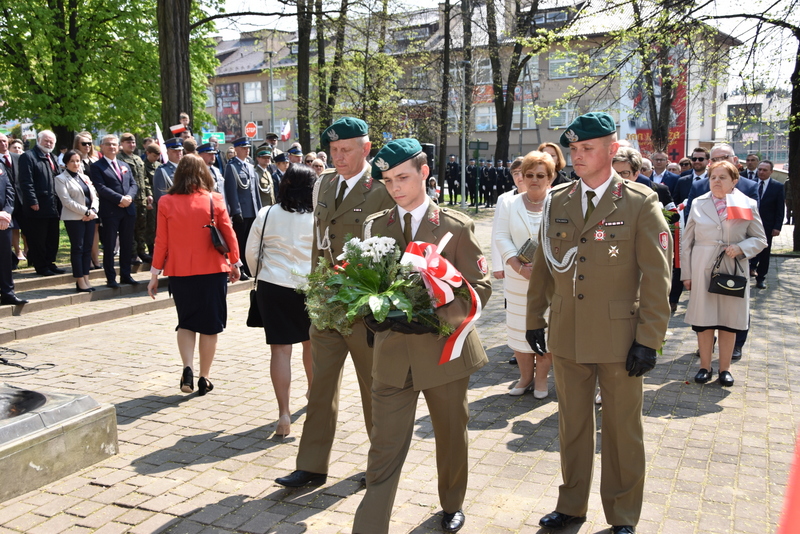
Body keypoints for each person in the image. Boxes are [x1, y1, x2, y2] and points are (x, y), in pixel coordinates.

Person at [527, 112, 671, 534]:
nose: (577, 156)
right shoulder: (559, 199)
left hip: (619, 338)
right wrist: (536, 316)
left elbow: (657, 278)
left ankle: (623, 515)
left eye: (587, 148)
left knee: (622, 431)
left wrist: (650, 339)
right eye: (573, 149)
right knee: (572, 424)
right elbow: (542, 264)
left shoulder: (639, 201)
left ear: (612, 150)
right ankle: (571, 505)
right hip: (568, 334)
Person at [353, 138, 491, 534]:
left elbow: (479, 289)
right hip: (393, 353)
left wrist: (434, 314)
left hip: (443, 351)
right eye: (387, 180)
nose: (394, 187)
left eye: (402, 177)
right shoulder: (374, 226)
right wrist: (373, 316)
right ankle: (369, 527)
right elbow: (363, 284)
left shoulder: (454, 226)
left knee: (450, 435)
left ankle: (452, 503)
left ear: (424, 172)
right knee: (384, 446)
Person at [275, 117, 394, 489]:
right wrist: (315, 289)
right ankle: (311, 465)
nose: (338, 158)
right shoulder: (324, 183)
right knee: (321, 386)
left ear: (366, 149)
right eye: (334, 151)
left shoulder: (383, 189)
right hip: (328, 305)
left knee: (374, 390)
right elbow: (318, 241)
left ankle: (381, 466)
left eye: (347, 150)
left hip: (364, 307)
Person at [147, 154, 241, 395]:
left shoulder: (166, 202)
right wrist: (235, 262)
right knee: (210, 326)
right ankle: (204, 376)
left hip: (180, 271)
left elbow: (161, 240)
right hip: (211, 270)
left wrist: (155, 273)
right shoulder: (214, 199)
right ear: (204, 173)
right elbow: (228, 233)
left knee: (186, 322)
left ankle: (187, 368)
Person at [681, 160, 766, 387]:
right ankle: (704, 367)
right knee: (704, 320)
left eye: (722, 177)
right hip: (702, 268)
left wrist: (741, 248)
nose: (716, 181)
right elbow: (686, 242)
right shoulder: (698, 203)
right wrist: (686, 274)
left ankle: (725, 369)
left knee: (729, 320)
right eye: (713, 177)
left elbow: (760, 239)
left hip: (732, 267)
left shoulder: (746, 203)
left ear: (734, 181)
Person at [245, 165, 315, 438]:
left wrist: (258, 274)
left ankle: (284, 412)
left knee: (280, 351)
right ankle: (313, 393)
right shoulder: (319, 216)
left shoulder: (267, 213)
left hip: (273, 285)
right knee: (312, 344)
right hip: (309, 287)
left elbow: (252, 251)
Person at [495, 152, 554, 397]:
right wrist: (518, 266)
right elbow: (500, 235)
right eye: (529, 175)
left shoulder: (558, 202)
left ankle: (541, 380)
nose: (534, 180)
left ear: (551, 178)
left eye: (541, 175)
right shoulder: (509, 203)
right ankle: (524, 378)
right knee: (519, 331)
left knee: (547, 332)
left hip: (550, 282)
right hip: (518, 281)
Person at [90, 135, 139, 288]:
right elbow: (101, 187)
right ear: (101, 147)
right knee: (110, 245)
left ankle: (126, 275)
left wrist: (129, 198)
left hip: (128, 210)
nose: (112, 147)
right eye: (108, 144)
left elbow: (133, 184)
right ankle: (111, 278)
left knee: (126, 245)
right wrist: (119, 199)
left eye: (114, 144)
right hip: (111, 211)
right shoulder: (97, 166)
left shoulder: (124, 165)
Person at [18, 130, 64, 277]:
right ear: (38, 140)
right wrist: (32, 201)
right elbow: (26, 182)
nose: (48, 143)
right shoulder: (28, 157)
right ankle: (41, 266)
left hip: (53, 205)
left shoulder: (54, 157)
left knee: (52, 237)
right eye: (46, 140)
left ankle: (50, 263)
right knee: (38, 238)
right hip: (38, 206)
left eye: (51, 141)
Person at [55, 150, 99, 292]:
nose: (76, 164)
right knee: (78, 248)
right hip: (74, 218)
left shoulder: (84, 176)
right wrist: (85, 212)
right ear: (66, 163)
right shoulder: (61, 178)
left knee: (87, 248)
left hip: (90, 217)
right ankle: (79, 280)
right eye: (72, 161)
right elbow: (67, 201)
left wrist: (93, 211)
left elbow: (95, 196)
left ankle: (86, 277)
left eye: (78, 160)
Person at [224, 137, 262, 279]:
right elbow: (231, 191)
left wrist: (258, 210)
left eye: (248, 148)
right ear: (237, 149)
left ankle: (250, 266)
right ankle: (241, 268)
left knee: (251, 241)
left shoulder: (250, 166)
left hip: (252, 210)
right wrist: (236, 210)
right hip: (242, 211)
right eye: (244, 148)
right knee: (240, 241)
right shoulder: (232, 166)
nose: (247, 150)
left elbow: (255, 191)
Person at [749, 160, 785, 289]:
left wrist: (777, 227)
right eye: (760, 169)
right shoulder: (750, 184)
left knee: (764, 253)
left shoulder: (777, 187)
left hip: (767, 225)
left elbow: (780, 208)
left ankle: (761, 278)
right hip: (748, 223)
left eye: (764, 170)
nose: (761, 172)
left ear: (771, 172)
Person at [118, 133, 151, 264]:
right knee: (130, 228)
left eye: (133, 143)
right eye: (128, 143)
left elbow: (145, 178)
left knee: (142, 227)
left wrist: (149, 193)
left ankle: (142, 251)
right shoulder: (119, 158)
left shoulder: (138, 159)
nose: (131, 145)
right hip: (130, 199)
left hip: (142, 198)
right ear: (122, 144)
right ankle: (132, 254)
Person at [0, 154, 26, 305]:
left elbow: (9, 189)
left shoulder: (1, 165)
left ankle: (7, 293)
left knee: (4, 259)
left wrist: (7, 212)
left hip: (4, 221)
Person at [142, 144, 161, 256]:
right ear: (148, 153)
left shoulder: (159, 165)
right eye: (154, 156)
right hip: (151, 199)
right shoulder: (144, 166)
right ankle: (151, 250)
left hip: (161, 199)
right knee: (151, 225)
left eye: (157, 156)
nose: (156, 158)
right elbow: (145, 183)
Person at [153, 138, 183, 205]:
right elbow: (160, 197)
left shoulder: (187, 168)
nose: (178, 153)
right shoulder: (162, 171)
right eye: (175, 151)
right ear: (168, 152)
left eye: (180, 150)